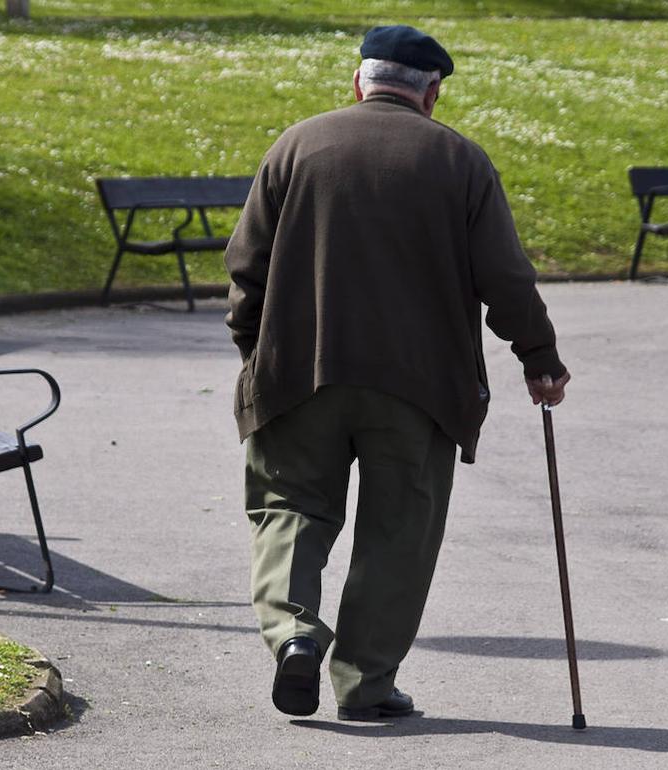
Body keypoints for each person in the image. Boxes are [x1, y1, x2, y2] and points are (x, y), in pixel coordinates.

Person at [224, 24, 570, 721]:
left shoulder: (297, 145)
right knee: (398, 533)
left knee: (291, 510)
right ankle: (364, 684)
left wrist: (256, 353)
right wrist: (539, 357)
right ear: (431, 93)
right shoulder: (460, 161)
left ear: (359, 81)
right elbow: (504, 276)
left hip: (300, 375)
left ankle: (294, 635)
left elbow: (246, 269)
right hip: (418, 386)